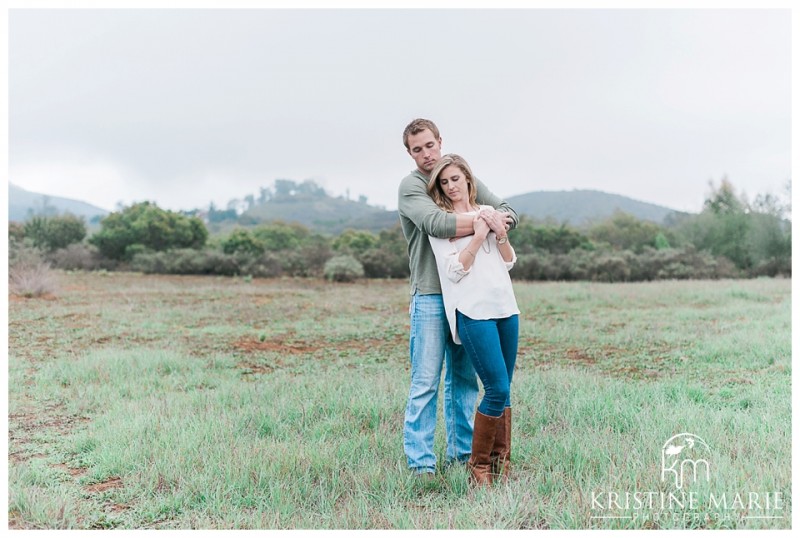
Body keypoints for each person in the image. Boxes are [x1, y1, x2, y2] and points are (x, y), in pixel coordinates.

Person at [397, 118, 518, 478]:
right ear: (410, 153)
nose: (426, 154)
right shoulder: (411, 187)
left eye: (429, 145)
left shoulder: (459, 175)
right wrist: (485, 222)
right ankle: (421, 466)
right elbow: (438, 225)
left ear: (439, 141)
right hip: (433, 295)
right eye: (417, 149)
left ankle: (462, 454)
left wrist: (499, 219)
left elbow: (510, 210)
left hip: (469, 298)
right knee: (425, 381)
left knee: (464, 380)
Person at [426, 154, 520, 486]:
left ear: (468, 178)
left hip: (506, 309)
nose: (451, 186)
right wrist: (479, 235)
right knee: (495, 388)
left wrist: (499, 232)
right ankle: (478, 467)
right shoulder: (443, 224)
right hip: (473, 312)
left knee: (505, 391)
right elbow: (453, 271)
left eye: (455, 179)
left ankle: (501, 464)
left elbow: (508, 261)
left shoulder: (488, 212)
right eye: (444, 182)